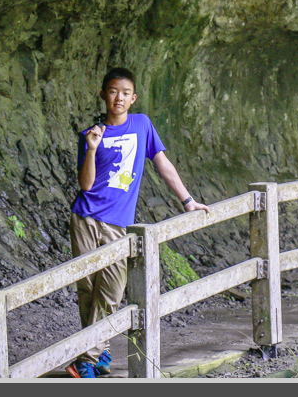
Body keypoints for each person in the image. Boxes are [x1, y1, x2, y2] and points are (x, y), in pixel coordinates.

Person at [66, 66, 210, 378]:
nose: (119, 97)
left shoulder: (142, 125)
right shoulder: (90, 135)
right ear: (104, 95)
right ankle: (94, 356)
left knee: (112, 293)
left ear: (134, 98)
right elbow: (86, 185)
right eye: (113, 91)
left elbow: (162, 163)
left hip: (118, 223)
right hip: (86, 218)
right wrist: (91, 149)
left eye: (125, 93)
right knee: (88, 292)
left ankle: (89, 358)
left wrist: (187, 201)